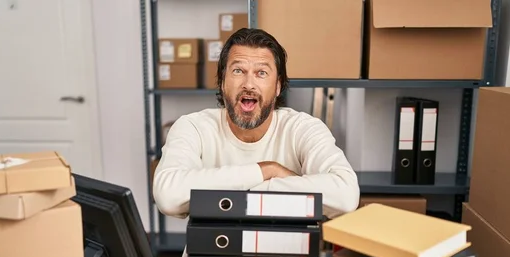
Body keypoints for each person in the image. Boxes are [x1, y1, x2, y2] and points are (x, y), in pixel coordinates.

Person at [153, 28, 360, 221]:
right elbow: (168, 197)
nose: (249, 84)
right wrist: (267, 170)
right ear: (222, 81)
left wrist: (251, 191)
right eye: (238, 71)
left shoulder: (303, 129)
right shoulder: (193, 127)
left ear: (278, 85)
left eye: (261, 73)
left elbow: (346, 196)